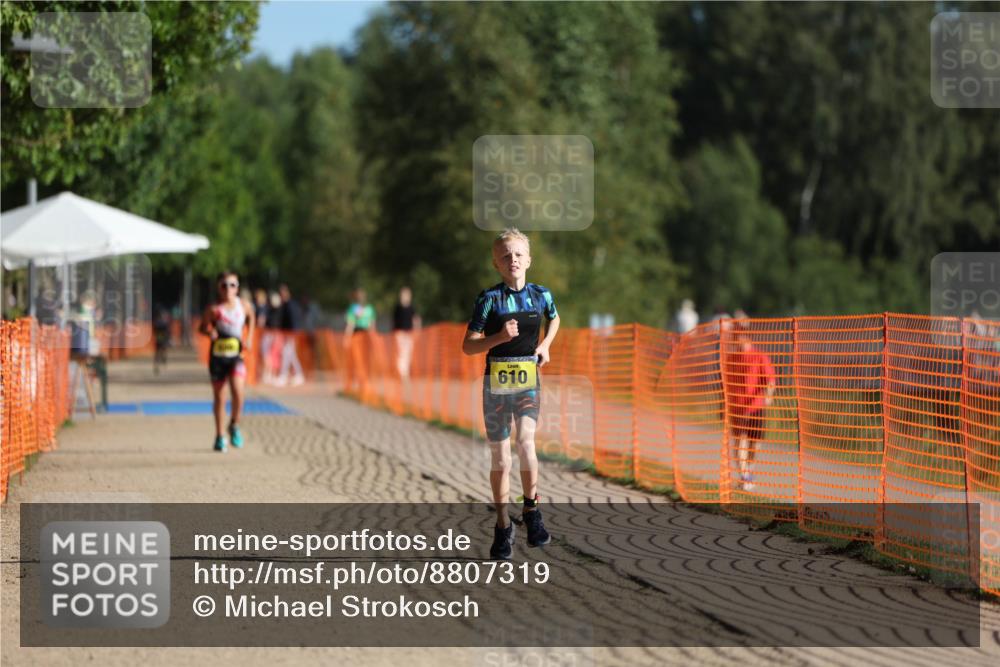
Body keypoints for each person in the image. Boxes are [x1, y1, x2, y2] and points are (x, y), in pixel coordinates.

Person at [462, 228, 560, 560]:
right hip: (496, 386)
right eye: (505, 255)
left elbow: (555, 319)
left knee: (526, 443)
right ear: (497, 263)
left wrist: (545, 345)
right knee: (502, 460)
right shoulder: (488, 299)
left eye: (518, 254)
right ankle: (504, 525)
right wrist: (498, 338)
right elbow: (468, 345)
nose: (512, 259)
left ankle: (532, 510)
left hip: (528, 381)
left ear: (528, 259)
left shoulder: (541, 294)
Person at [199, 271, 254, 452]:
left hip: (236, 356)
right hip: (218, 357)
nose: (228, 289)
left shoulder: (243, 306)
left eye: (232, 285)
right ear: (218, 288)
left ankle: (234, 425)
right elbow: (202, 327)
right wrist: (209, 332)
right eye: (224, 285)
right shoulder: (214, 309)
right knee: (220, 397)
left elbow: (251, 318)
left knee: (238, 392)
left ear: (237, 287)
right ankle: (220, 436)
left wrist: (250, 337)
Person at [723, 323, 776, 491]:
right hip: (736, 407)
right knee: (740, 441)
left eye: (738, 335)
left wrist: (768, 395)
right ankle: (744, 476)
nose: (735, 339)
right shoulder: (731, 358)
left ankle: (749, 470)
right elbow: (724, 383)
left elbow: (770, 380)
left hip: (755, 407)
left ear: (746, 336)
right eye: (734, 335)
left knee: (755, 443)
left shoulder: (759, 356)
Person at [344, 288, 376, 395]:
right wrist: (347, 337)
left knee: (366, 360)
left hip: (366, 336)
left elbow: (372, 324)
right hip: (356, 336)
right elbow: (351, 323)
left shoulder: (370, 309)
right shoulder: (354, 308)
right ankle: (356, 382)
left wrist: (373, 336)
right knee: (356, 360)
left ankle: (365, 382)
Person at [276, 284, 305, 386]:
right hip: (287, 333)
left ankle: (283, 375)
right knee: (291, 354)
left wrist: (290, 334)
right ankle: (299, 374)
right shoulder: (285, 305)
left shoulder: (290, 305)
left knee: (286, 353)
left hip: (291, 333)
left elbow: (293, 320)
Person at [392, 286, 421, 379]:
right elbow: (394, 321)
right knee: (400, 352)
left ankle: (405, 372)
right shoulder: (397, 307)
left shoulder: (412, 308)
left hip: (409, 333)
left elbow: (416, 319)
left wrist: (417, 329)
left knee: (407, 352)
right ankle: (400, 372)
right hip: (399, 332)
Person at [153, 305, 172, 375]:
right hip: (161, 338)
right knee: (160, 351)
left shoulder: (158, 322)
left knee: (159, 352)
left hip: (161, 338)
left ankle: (160, 362)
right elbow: (167, 330)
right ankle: (160, 362)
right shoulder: (162, 322)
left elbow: (156, 330)